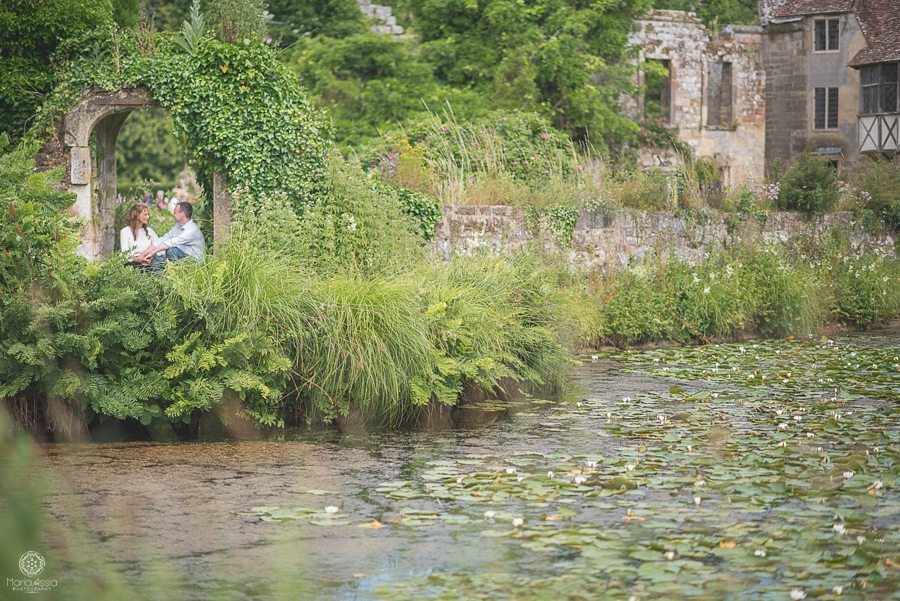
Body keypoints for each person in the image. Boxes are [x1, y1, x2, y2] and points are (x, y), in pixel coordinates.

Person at [134, 201, 206, 268]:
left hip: (196, 263)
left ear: (182, 214)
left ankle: (176, 275)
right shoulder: (178, 226)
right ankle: (153, 273)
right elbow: (162, 240)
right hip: (183, 256)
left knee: (171, 251)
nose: (173, 214)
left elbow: (168, 244)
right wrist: (142, 255)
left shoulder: (191, 230)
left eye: (175, 212)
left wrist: (151, 253)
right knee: (159, 255)